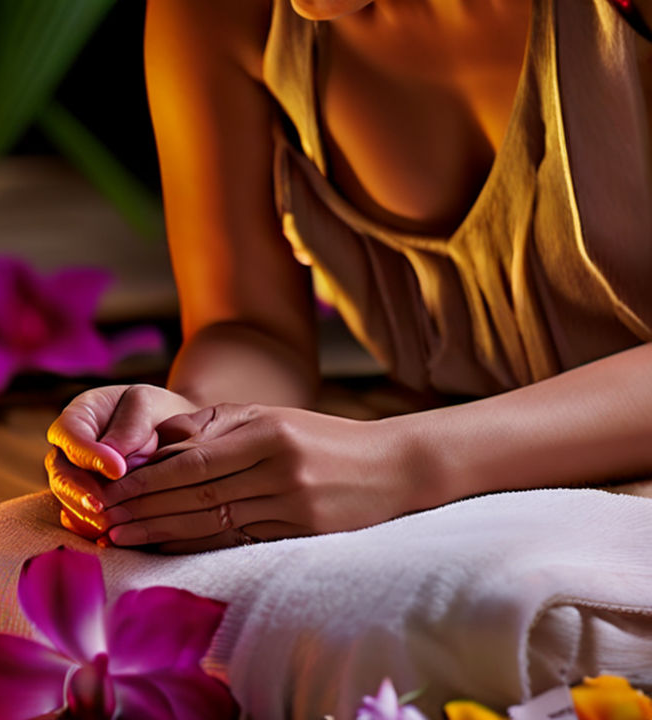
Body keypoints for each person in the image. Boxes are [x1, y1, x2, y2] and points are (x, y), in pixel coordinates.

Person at [46, 0, 652, 553]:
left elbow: (395, 466)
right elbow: (251, 327)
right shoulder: (220, 14)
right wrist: (188, 432)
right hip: (479, 511)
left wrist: (401, 462)